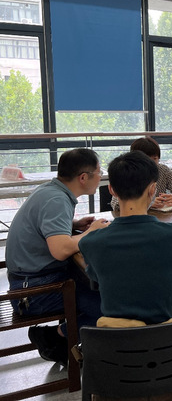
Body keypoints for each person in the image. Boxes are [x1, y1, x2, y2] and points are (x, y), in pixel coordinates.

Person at [80, 151, 172, 324]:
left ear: (111, 190)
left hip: (118, 339)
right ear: (153, 189)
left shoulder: (91, 243)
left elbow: (95, 276)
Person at [5, 148, 110, 365]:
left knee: (99, 287)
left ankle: (66, 340)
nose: (101, 176)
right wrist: (91, 232)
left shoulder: (51, 190)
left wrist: (73, 225)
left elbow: (44, 228)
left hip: (30, 279)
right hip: (33, 292)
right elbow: (60, 250)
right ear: (83, 177)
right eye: (99, 172)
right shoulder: (56, 200)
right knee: (109, 307)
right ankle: (54, 336)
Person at [111, 136, 172, 211]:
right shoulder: (128, 173)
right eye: (146, 159)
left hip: (161, 217)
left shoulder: (163, 170)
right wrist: (148, 203)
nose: (151, 164)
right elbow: (116, 204)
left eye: (155, 159)